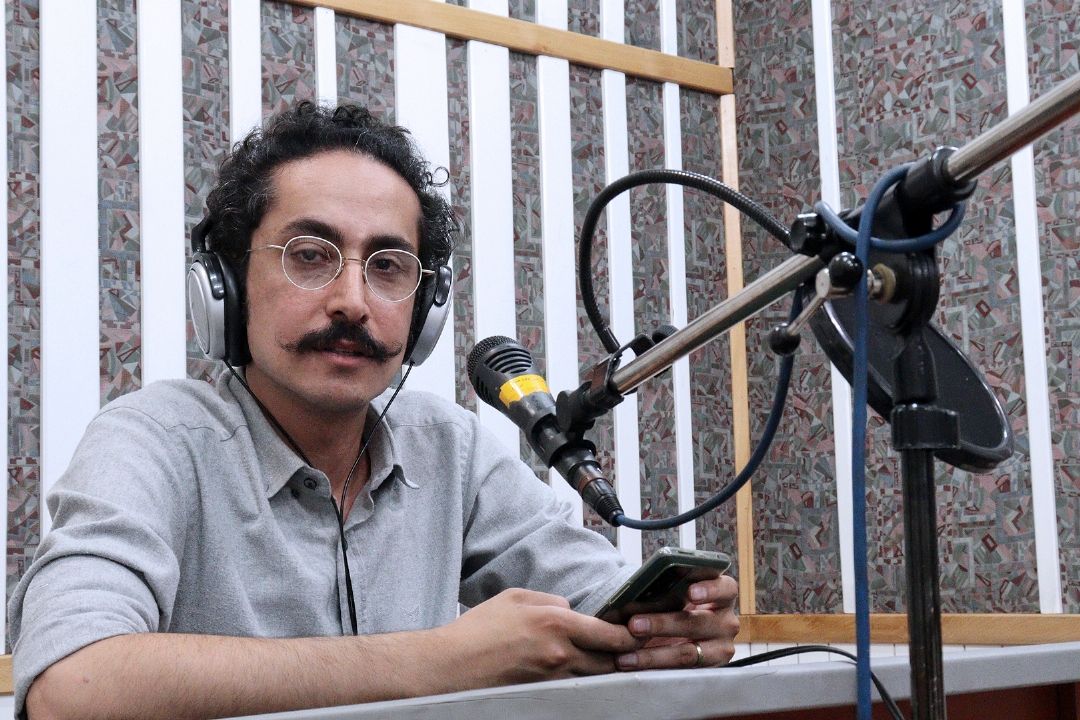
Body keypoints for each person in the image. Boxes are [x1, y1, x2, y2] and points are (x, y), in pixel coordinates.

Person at [8, 102, 739, 720]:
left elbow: (599, 597)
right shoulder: (152, 440)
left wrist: (675, 622)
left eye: (388, 266)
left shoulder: (447, 447)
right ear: (224, 286)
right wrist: (439, 660)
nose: (353, 302)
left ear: (425, 312)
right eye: (310, 254)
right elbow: (71, 686)